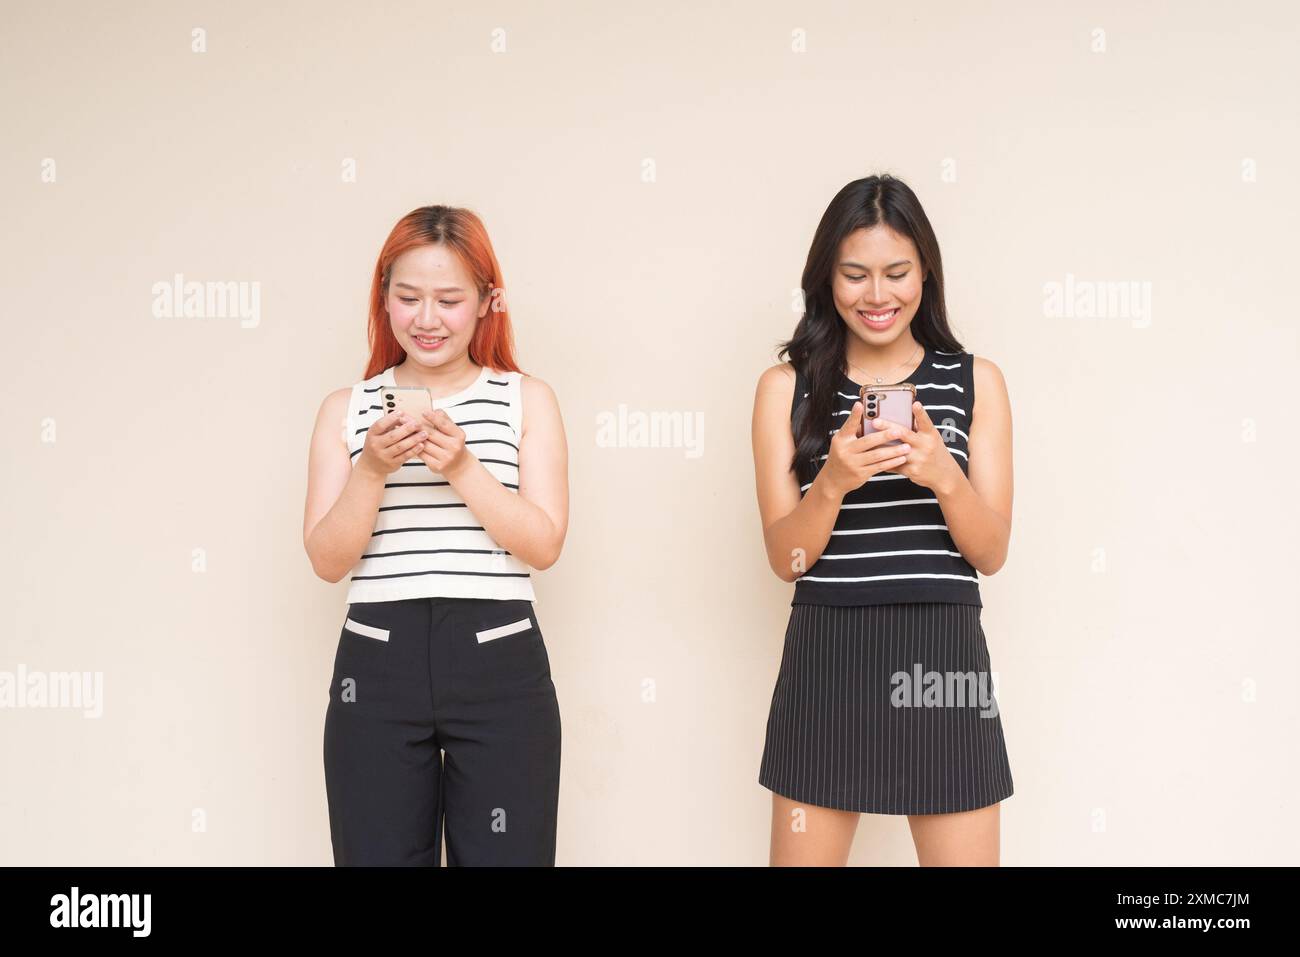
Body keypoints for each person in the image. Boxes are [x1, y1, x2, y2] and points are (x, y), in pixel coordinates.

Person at [751, 174, 1015, 866]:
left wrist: (942, 475)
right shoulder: (786, 388)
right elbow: (787, 558)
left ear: (925, 271)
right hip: (827, 652)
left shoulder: (974, 379)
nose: (877, 296)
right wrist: (832, 482)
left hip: (945, 655)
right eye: (855, 274)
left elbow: (990, 551)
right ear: (825, 279)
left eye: (897, 272)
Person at [303, 205, 568, 865]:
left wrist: (462, 466)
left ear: (485, 303)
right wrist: (372, 468)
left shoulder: (525, 398)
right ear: (384, 299)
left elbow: (545, 543)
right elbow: (326, 559)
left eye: (450, 299)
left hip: (500, 658)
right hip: (376, 659)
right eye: (408, 297)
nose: (428, 318)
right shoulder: (347, 407)